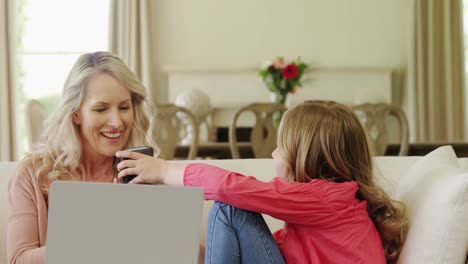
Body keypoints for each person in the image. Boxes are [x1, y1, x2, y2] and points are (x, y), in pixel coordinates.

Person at [116, 100, 409, 264]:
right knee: (230, 207)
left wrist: (166, 170)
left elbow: (233, 188)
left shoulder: (326, 199)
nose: (273, 154)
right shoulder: (336, 204)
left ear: (306, 157)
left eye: (281, 148)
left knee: (230, 206)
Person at [7, 51, 156, 264]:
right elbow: (18, 260)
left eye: (124, 107)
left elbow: (190, 254)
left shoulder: (142, 172)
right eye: (101, 109)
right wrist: (101, 235)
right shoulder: (33, 174)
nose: (116, 122)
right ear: (76, 113)